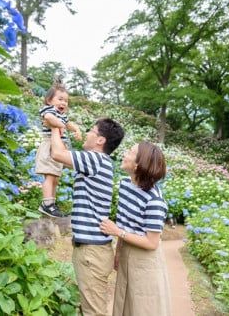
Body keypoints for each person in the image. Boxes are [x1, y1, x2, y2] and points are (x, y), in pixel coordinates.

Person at [49, 118, 125, 316]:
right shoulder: (96, 162)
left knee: (94, 312)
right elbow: (64, 156)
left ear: (100, 140)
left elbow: (57, 153)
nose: (87, 133)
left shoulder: (96, 160)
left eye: (91, 130)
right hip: (91, 250)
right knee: (89, 308)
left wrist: (55, 124)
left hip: (92, 252)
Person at [100, 141, 172, 316]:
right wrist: (118, 252)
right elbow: (123, 221)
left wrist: (117, 232)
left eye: (130, 152)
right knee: (124, 304)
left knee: (143, 308)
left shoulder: (154, 200)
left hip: (145, 260)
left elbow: (152, 242)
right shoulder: (125, 185)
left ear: (138, 165)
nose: (124, 153)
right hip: (126, 250)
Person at [35, 82, 82, 218]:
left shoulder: (62, 115)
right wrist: (61, 125)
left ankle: (51, 204)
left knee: (55, 177)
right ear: (50, 100)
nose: (64, 103)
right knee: (50, 176)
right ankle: (47, 204)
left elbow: (69, 124)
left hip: (58, 148)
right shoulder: (48, 110)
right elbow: (49, 119)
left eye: (66, 101)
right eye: (60, 99)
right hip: (49, 146)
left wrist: (76, 129)